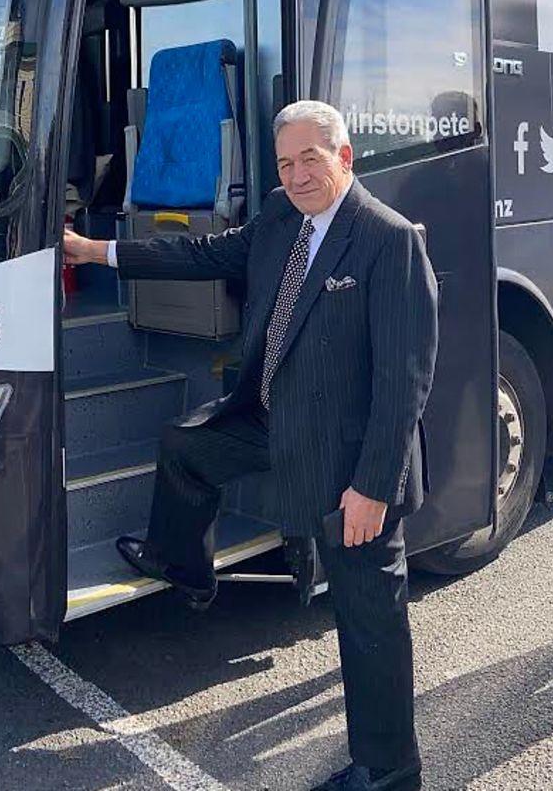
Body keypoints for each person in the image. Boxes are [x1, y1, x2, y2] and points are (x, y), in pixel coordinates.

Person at [62, 100, 439, 791]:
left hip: (351, 459)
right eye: (286, 162)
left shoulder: (386, 240)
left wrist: (375, 486)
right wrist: (96, 252)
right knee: (186, 445)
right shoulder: (278, 215)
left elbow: (405, 378)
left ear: (344, 158)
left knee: (368, 619)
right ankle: (188, 568)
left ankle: (390, 767)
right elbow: (202, 254)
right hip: (271, 420)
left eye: (310, 161)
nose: (296, 176)